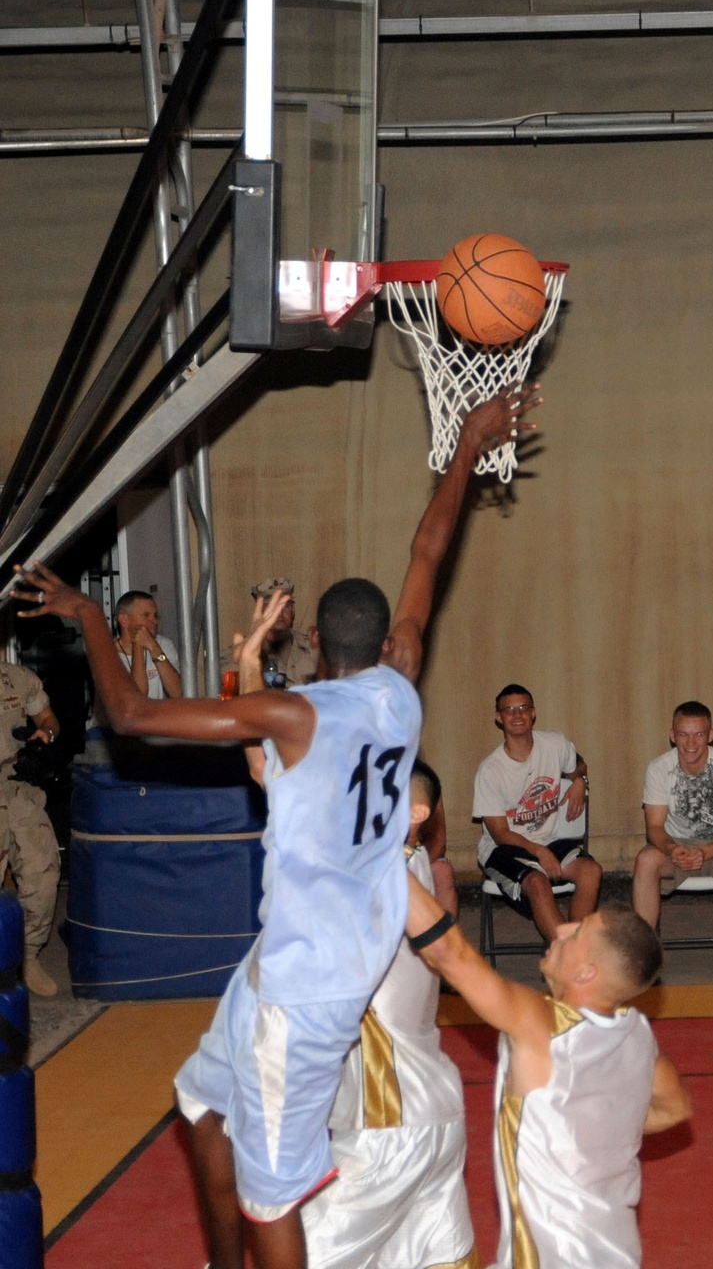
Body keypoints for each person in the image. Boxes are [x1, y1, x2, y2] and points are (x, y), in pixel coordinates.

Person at [14, 386, 538, 1269]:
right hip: (280, 963)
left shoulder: (296, 714)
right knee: (203, 1106)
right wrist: (469, 447)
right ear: (381, 645)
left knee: (274, 1194)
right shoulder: (399, 687)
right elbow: (428, 551)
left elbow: (134, 714)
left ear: (317, 648)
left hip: (307, 995)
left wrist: (92, 617)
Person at [406, 879, 691, 1269]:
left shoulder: (544, 1027)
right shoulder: (637, 1035)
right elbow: (673, 1110)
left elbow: (450, 955)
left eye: (577, 934)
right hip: (617, 1251)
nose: (560, 929)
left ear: (587, 973)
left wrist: (386, 857)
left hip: (550, 1256)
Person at [301, 759, 478, 1268]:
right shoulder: (413, 862)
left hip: (391, 1123)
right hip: (433, 1110)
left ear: (417, 811)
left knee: (291, 1254)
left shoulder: (381, 879)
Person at [632, 700, 713, 984]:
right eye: (683, 734)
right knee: (645, 860)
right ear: (672, 735)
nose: (691, 743)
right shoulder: (658, 768)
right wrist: (672, 849)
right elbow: (654, 827)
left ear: (711, 734)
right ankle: (646, 957)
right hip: (677, 845)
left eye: (699, 735)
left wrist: (706, 851)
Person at [473, 684, 602, 942]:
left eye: (523, 708)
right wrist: (539, 852)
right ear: (499, 717)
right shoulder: (490, 770)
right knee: (537, 882)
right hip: (504, 848)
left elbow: (578, 764)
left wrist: (580, 781)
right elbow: (500, 833)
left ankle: (571, 951)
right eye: (509, 710)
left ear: (533, 713)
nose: (517, 715)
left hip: (549, 839)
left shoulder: (554, 743)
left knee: (591, 872)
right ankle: (568, 957)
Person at [0, 660, 61, 997]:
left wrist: (46, 734)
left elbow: (48, 718)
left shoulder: (18, 677)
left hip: (17, 786)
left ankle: (28, 953)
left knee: (44, 872)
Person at [244, 578, 318, 686]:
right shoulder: (243, 654)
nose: (279, 612)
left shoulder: (315, 651)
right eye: (270, 606)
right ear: (258, 611)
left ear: (293, 610)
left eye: (286, 606)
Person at [114, 590, 182, 699]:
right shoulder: (108, 654)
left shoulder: (164, 645)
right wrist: (137, 647)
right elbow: (138, 698)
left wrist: (155, 648)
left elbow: (178, 693)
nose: (154, 621)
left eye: (155, 615)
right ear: (124, 620)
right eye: (146, 615)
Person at [415, 759, 459, 916]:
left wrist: (414, 864)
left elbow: (438, 840)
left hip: (411, 856)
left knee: (443, 871)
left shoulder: (421, 779)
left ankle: (447, 936)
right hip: (369, 861)